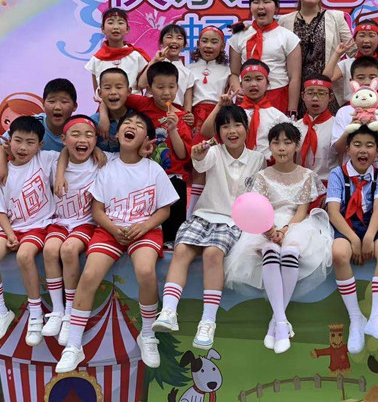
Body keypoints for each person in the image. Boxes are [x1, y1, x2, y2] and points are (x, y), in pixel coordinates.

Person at [56, 111, 178, 373]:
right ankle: (74, 345)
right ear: (117, 133)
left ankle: (147, 334)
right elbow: (97, 210)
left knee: (145, 270)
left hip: (144, 230)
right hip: (110, 230)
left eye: (139, 125)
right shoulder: (106, 166)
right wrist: (113, 229)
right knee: (90, 275)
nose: (131, 126)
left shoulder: (153, 169)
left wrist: (144, 226)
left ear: (146, 138)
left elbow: (165, 210)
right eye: (127, 123)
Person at [154, 105, 265, 350]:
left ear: (246, 129)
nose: (232, 131)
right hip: (204, 215)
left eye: (237, 125)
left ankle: (208, 321)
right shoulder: (213, 151)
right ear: (218, 132)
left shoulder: (258, 159)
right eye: (225, 126)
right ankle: (169, 311)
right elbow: (200, 163)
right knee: (182, 249)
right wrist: (198, 154)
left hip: (234, 221)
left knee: (213, 253)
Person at [224, 123, 332, 354]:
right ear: (270, 146)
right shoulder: (262, 177)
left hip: (297, 224)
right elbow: (258, 208)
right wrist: (270, 230)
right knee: (270, 250)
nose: (281, 148)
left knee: (291, 251)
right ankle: (282, 323)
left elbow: (302, 211)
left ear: (296, 146)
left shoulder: (307, 176)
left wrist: (284, 230)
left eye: (287, 142)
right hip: (266, 225)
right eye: (276, 143)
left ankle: (277, 321)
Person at [0, 116, 58, 346]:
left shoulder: (45, 159)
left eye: (30, 142)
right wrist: (10, 234)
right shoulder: (1, 172)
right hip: (11, 227)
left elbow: (66, 155)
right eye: (18, 140)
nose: (23, 147)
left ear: (40, 145)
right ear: (8, 141)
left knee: (25, 256)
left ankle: (35, 315)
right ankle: (1, 312)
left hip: (38, 226)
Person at [100, 62, 191, 243]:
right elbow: (113, 97)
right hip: (145, 177)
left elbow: (182, 155)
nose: (166, 92)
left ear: (178, 87)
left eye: (171, 87)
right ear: (149, 89)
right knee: (147, 224)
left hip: (173, 177)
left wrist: (173, 129)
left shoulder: (181, 117)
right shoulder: (142, 103)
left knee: (173, 234)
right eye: (160, 87)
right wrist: (103, 116)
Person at [327, 125, 378, 355]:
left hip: (371, 224)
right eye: (357, 145)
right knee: (339, 253)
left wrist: (368, 237)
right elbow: (333, 212)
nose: (363, 150)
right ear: (348, 149)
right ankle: (356, 317)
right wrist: (354, 239)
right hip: (345, 225)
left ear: (377, 150)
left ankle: (375, 318)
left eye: (369, 145)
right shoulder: (338, 174)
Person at [40, 115, 105, 345]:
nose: (82, 140)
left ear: (96, 140)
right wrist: (60, 170)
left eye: (89, 135)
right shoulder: (53, 161)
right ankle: (57, 311)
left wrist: (98, 150)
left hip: (85, 223)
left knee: (68, 250)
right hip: (59, 221)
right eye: (75, 135)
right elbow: (61, 154)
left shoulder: (101, 162)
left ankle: (69, 313)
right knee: (50, 250)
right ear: (63, 139)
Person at [0, 78, 78, 196]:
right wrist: (0, 163)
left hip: (63, 179)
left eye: (64, 102)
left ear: (74, 106)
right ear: (43, 104)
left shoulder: (79, 128)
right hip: (32, 176)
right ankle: (0, 207)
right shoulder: (32, 123)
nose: (57, 107)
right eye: (52, 101)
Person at [279, 0, 352, 114]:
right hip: (295, 94)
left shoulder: (336, 18)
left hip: (327, 92)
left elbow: (355, 49)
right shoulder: (284, 21)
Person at [228, 0, 302, 116]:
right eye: (256, 2)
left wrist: (292, 111)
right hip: (247, 97)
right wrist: (238, 89)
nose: (261, 6)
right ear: (250, 8)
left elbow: (294, 78)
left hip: (277, 96)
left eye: (266, 2)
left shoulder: (288, 37)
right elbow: (234, 73)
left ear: (276, 7)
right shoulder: (239, 36)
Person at [201, 60, 289, 160]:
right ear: (241, 84)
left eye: (258, 79)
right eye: (247, 79)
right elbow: (206, 132)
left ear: (267, 83)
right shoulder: (233, 112)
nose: (253, 84)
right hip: (236, 165)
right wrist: (220, 106)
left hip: (267, 166)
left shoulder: (278, 116)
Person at [186, 26, 231, 217]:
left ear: (222, 45)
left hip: (217, 117)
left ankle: (214, 210)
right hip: (196, 119)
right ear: (198, 44)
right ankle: (191, 213)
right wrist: (187, 115)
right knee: (197, 163)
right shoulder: (189, 69)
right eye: (204, 41)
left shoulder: (228, 71)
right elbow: (188, 95)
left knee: (215, 164)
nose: (209, 46)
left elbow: (230, 94)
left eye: (214, 42)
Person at [332, 56, 378, 170]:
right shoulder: (344, 112)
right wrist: (349, 131)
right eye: (360, 78)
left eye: (372, 78)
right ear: (351, 81)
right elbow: (337, 149)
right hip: (351, 177)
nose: (366, 82)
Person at [323, 19, 378, 107]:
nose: (366, 40)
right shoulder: (346, 64)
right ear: (354, 40)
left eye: (371, 36)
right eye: (362, 35)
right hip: (351, 110)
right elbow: (325, 79)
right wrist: (337, 54)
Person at [85, 8, 150, 96]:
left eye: (120, 23)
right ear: (102, 29)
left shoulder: (137, 56)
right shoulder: (96, 59)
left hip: (134, 103)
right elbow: (98, 92)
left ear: (127, 29)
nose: (116, 27)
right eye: (110, 23)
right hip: (107, 103)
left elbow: (143, 84)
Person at [138, 24, 195, 124]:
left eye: (179, 38)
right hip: (151, 111)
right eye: (169, 37)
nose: (174, 41)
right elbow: (141, 84)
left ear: (184, 44)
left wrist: (187, 115)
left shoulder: (188, 73)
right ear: (161, 42)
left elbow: (187, 103)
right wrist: (155, 61)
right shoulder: (154, 64)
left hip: (174, 115)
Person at [295, 73, 337, 184]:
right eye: (310, 93)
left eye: (321, 94)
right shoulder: (295, 127)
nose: (315, 98)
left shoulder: (337, 126)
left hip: (329, 185)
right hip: (299, 184)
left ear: (330, 97)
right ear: (303, 96)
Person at [92, 67, 131, 152]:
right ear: (100, 93)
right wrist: (95, 150)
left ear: (129, 91)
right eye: (107, 88)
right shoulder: (93, 122)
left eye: (119, 87)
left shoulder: (137, 120)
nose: (113, 92)